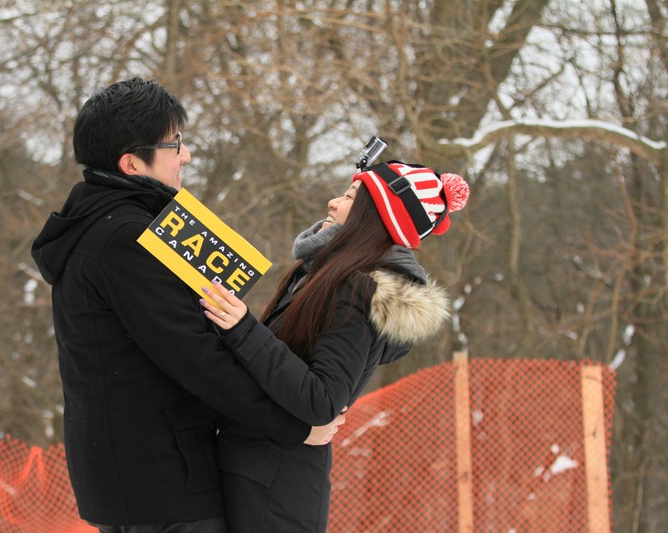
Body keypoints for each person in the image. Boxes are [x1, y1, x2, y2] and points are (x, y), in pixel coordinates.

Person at [30, 77, 344, 533]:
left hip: (136, 475)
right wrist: (294, 425)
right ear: (132, 162)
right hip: (162, 482)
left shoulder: (101, 225)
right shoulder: (126, 238)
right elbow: (196, 356)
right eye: (175, 145)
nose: (187, 156)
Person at [199, 160, 470, 532]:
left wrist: (244, 329)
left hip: (275, 493)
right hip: (252, 475)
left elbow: (322, 400)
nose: (332, 202)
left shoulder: (356, 288)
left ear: (375, 215)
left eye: (349, 196)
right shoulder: (316, 276)